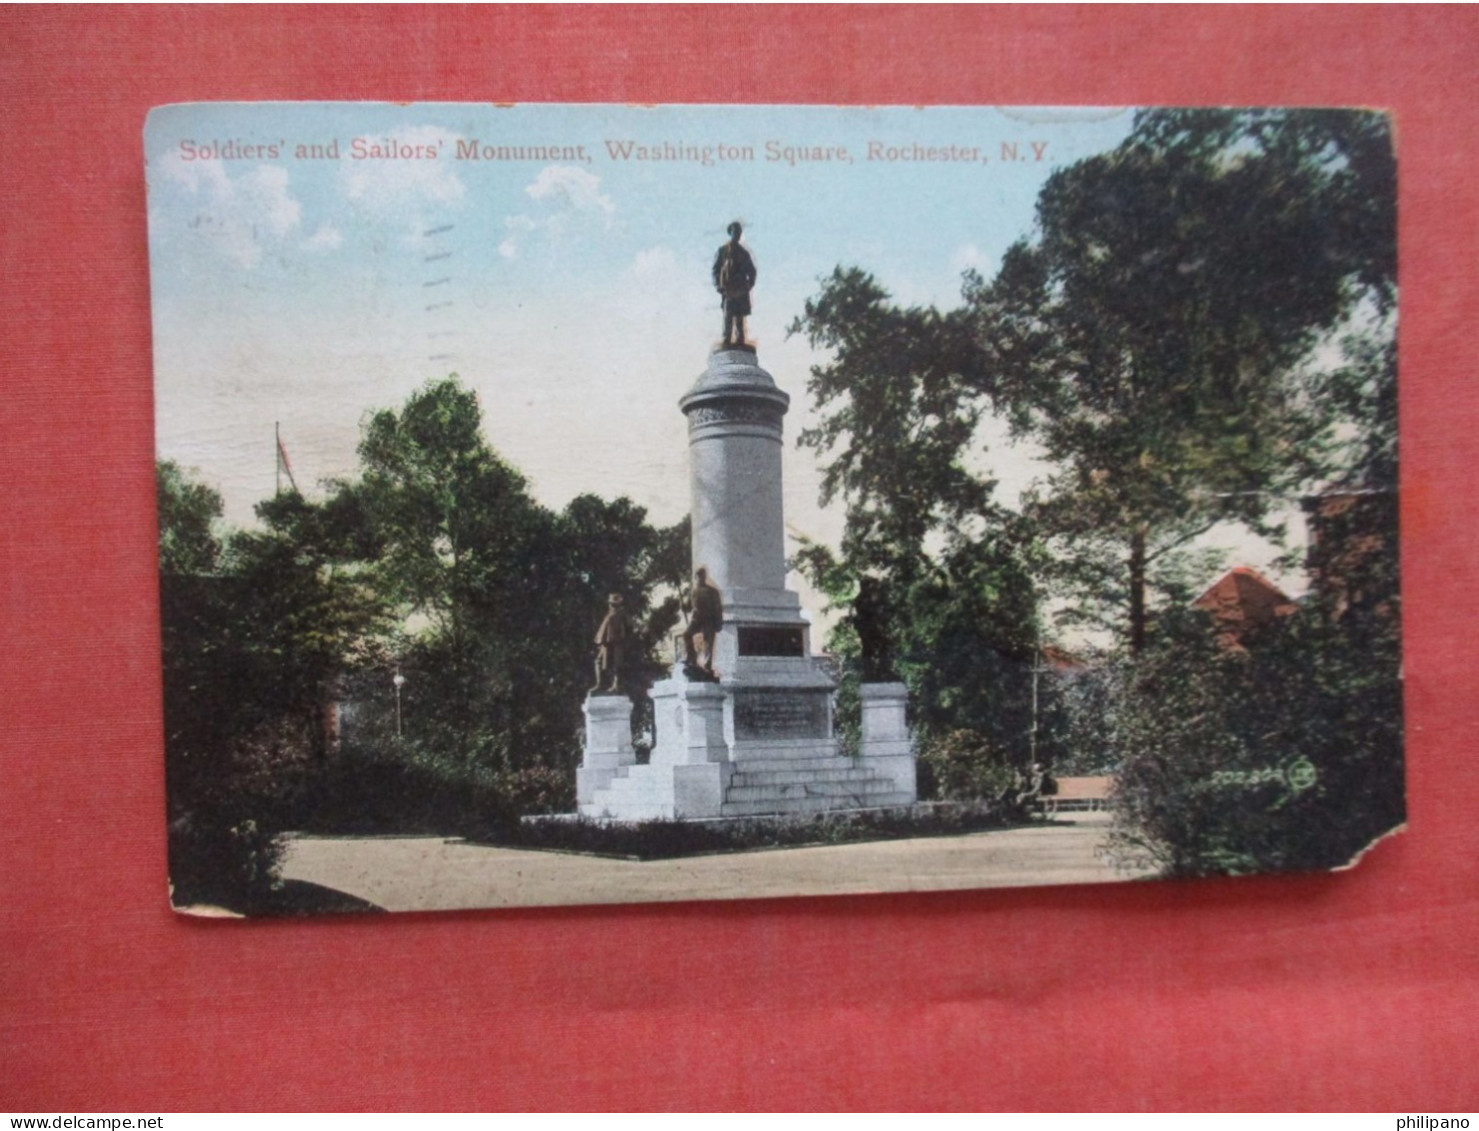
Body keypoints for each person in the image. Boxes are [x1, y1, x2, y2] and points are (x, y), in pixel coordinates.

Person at [712, 221, 757, 348]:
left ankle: (740, 340)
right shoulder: (723, 251)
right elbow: (715, 270)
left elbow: (752, 271)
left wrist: (748, 285)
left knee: (739, 318)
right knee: (728, 316)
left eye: (739, 232)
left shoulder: (744, 253)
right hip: (728, 289)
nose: (737, 234)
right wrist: (718, 286)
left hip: (741, 290)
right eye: (734, 232)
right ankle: (726, 339)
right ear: (730, 233)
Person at [682, 567, 724, 679]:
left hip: (708, 620)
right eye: (697, 576)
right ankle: (691, 659)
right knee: (686, 635)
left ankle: (707, 666)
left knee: (708, 643)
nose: (699, 578)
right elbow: (691, 606)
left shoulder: (712, 592)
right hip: (696, 620)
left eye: (701, 576)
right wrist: (685, 606)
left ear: (704, 577)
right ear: (695, 577)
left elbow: (718, 607)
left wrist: (718, 622)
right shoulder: (694, 591)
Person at [591, 594, 628, 694]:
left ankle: (616, 685)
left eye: (614, 604)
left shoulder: (620, 615)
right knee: (599, 661)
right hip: (606, 644)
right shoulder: (610, 614)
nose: (611, 606)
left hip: (616, 643)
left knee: (616, 664)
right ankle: (600, 684)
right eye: (611, 604)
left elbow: (625, 631)